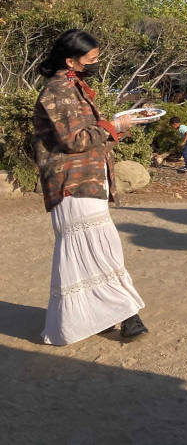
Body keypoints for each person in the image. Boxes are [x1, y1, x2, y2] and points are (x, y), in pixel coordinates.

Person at [33, 29, 149, 344]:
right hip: (72, 183)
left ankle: (98, 316)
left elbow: (87, 133)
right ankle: (127, 314)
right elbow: (75, 140)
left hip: (86, 180)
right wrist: (115, 126)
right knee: (101, 248)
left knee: (95, 250)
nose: (96, 62)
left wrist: (115, 127)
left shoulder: (72, 87)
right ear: (70, 60)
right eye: (92, 58)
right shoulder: (58, 92)